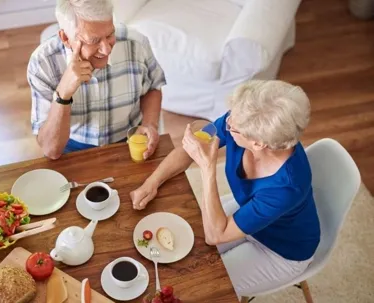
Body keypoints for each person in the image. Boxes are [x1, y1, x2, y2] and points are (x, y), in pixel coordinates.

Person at [130, 80, 321, 297]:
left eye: (233, 126)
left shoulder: (287, 187)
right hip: (246, 215)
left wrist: (207, 168)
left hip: (280, 250)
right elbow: (192, 147)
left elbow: (215, 235)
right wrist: (152, 183)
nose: (227, 122)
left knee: (202, 288)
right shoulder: (240, 122)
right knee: (181, 251)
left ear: (259, 143)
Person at [27, 0, 166, 160]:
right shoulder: (42, 63)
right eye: (93, 40)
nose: (107, 49)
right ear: (65, 38)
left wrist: (150, 124)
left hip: (128, 141)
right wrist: (63, 93)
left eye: (110, 35)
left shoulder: (137, 43)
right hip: (71, 148)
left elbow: (153, 86)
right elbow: (51, 150)